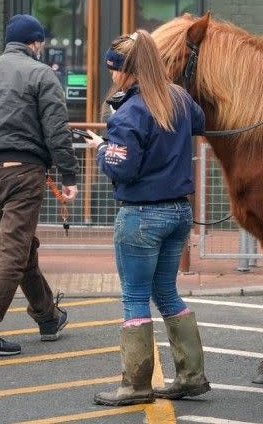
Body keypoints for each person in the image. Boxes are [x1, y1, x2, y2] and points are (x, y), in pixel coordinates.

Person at [87, 29, 209, 407]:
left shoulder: (129, 113)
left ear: (127, 72)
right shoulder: (179, 98)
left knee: (135, 296)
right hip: (179, 213)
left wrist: (102, 150)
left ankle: (136, 384)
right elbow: (200, 123)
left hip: (142, 216)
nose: (111, 77)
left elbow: (123, 169)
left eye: (114, 70)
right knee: (167, 292)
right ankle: (191, 375)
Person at [0, 14, 79, 356]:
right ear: (34, 43)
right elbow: (57, 131)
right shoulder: (41, 74)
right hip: (22, 172)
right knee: (12, 251)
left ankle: (47, 316)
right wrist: (69, 176)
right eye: (40, 42)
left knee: (23, 245)